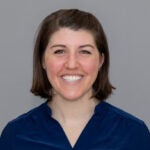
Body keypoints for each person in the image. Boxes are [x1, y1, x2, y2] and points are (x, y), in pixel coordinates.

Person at [0, 9, 150, 150]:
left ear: (101, 61)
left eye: (84, 51)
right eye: (60, 51)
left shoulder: (134, 134)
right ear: (43, 61)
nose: (72, 64)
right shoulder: (15, 136)